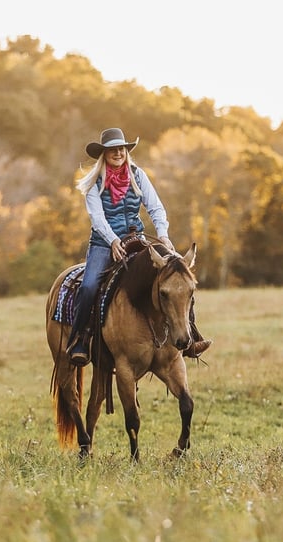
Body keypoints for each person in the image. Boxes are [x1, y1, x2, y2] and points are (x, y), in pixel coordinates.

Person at [67, 127, 212, 366]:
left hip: (136, 238)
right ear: (104, 154)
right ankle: (80, 339)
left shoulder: (137, 174)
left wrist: (163, 236)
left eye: (121, 149)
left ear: (126, 151)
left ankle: (192, 336)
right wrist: (113, 240)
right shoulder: (94, 182)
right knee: (89, 285)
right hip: (105, 242)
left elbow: (155, 207)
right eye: (113, 150)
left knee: (179, 275)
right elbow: (97, 218)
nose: (118, 153)